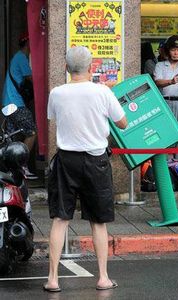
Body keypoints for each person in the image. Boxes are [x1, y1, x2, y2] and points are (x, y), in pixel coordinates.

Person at [44, 46, 127, 292]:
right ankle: (102, 277)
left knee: (60, 219)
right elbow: (122, 123)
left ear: (66, 68)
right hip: (96, 161)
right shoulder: (102, 92)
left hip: (66, 160)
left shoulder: (56, 93)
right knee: (98, 222)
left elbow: (53, 118)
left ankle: (52, 279)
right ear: (91, 67)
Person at [2, 33, 37, 179]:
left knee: (12, 137)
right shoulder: (21, 57)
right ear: (28, 43)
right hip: (16, 103)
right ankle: (22, 166)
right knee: (32, 132)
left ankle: (10, 167)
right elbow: (33, 79)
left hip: (8, 103)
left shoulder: (17, 57)